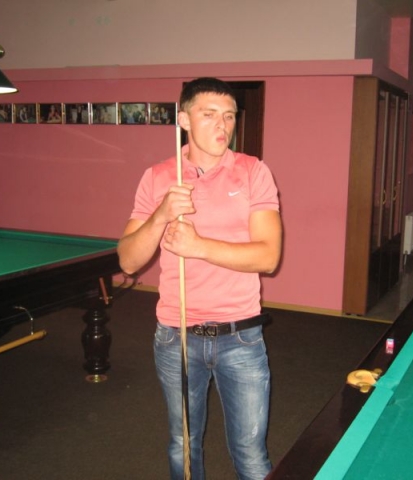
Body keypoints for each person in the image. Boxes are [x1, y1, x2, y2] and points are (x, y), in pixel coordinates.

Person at [118, 77, 282, 480]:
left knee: (250, 453)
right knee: (183, 445)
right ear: (184, 120)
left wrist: (199, 246)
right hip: (176, 336)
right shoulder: (158, 176)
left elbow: (268, 257)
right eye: (209, 115)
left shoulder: (253, 172)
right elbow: (128, 261)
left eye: (229, 116)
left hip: (241, 336)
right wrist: (160, 215)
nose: (222, 125)